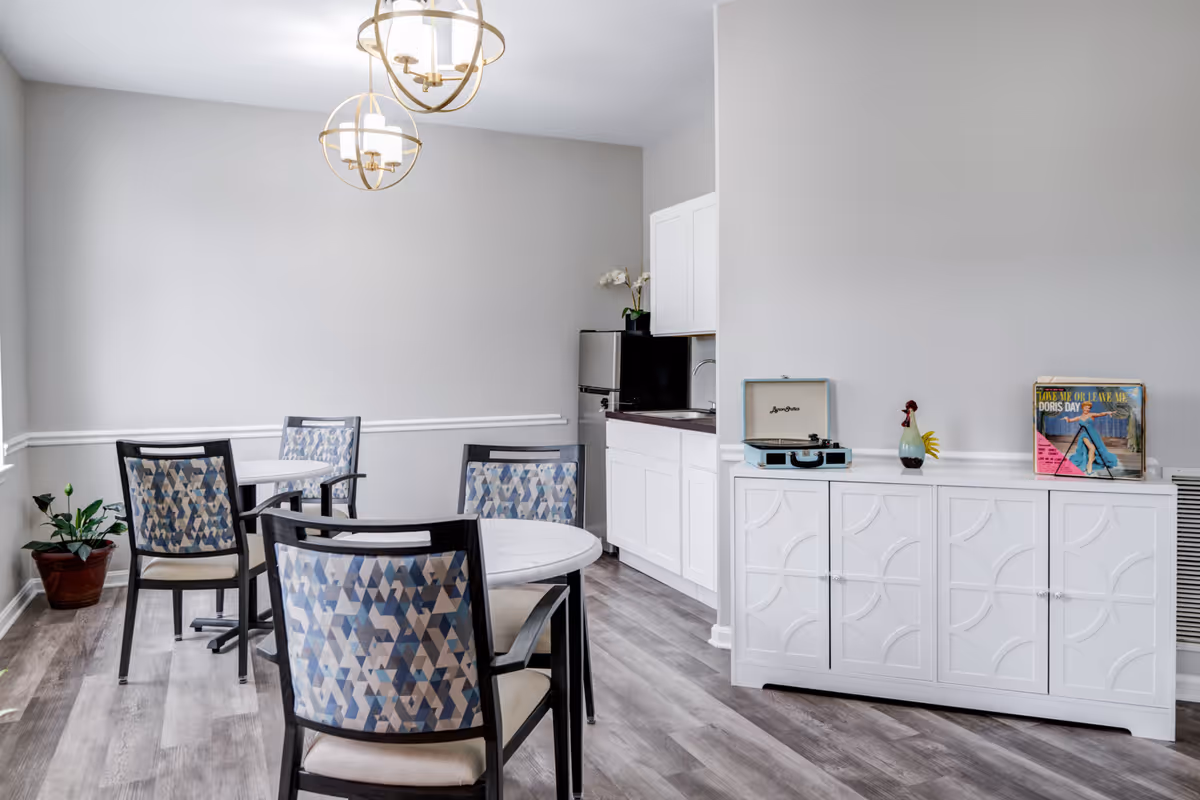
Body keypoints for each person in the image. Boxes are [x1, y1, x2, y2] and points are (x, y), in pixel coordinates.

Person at [1065, 401, 1120, 476]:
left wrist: (1107, 413)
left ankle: (1090, 463)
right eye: (1086, 407)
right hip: (1085, 435)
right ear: (1083, 407)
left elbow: (1100, 414)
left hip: (1093, 434)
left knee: (1096, 450)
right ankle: (1089, 466)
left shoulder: (1091, 415)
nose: (1087, 409)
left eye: (1089, 408)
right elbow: (1070, 420)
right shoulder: (1079, 417)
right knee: (1092, 448)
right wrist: (1067, 419)